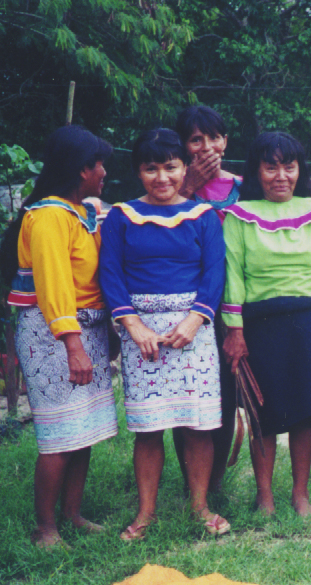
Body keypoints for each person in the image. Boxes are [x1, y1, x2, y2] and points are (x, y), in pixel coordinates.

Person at [98, 128, 228, 540]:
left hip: (194, 332)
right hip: (142, 336)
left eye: (170, 167)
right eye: (150, 169)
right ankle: (146, 512)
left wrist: (194, 321)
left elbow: (214, 272)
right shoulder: (120, 216)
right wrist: (133, 325)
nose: (162, 178)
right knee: (149, 428)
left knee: (197, 425)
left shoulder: (204, 216)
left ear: (184, 168)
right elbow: (111, 273)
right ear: (138, 172)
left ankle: (200, 507)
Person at [1, 125, 117, 548]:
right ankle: (45, 527)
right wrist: (72, 345)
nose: (104, 171)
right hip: (54, 335)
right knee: (58, 435)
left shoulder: (79, 211)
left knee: (82, 429)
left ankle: (72, 513)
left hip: (86, 330)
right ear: (81, 168)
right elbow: (53, 286)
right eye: (99, 164)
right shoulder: (48, 216)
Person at [220, 132, 311, 517]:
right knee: (261, 411)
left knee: (306, 410)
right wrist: (234, 331)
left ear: (300, 169)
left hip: (309, 322)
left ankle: (300, 495)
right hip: (258, 326)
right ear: (257, 170)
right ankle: (264, 496)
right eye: (271, 166)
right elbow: (232, 274)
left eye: (289, 165)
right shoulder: (238, 216)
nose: (281, 175)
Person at [174, 105, 242, 494]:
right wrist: (188, 187)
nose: (206, 148)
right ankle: (190, 483)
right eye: (195, 140)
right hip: (183, 304)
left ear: (225, 141)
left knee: (226, 390)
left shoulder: (244, 187)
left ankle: (214, 483)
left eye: (213, 137)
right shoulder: (168, 186)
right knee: (187, 395)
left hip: (230, 303)